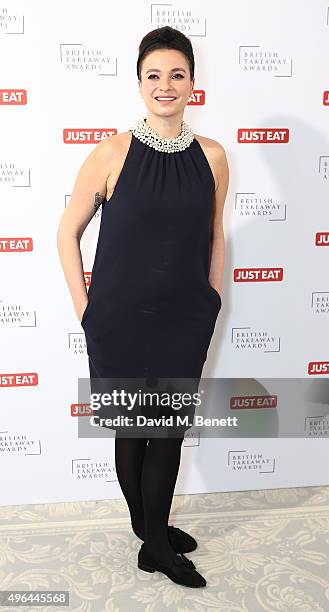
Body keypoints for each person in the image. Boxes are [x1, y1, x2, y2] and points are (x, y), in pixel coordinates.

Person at [57, 25, 229, 588]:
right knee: (133, 431)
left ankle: (151, 533)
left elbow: (214, 233)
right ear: (139, 84)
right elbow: (67, 231)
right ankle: (152, 537)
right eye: (154, 75)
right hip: (120, 320)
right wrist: (86, 308)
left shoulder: (213, 157)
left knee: (170, 432)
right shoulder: (111, 153)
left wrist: (213, 299)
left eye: (176, 74)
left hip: (184, 318)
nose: (165, 85)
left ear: (192, 85)